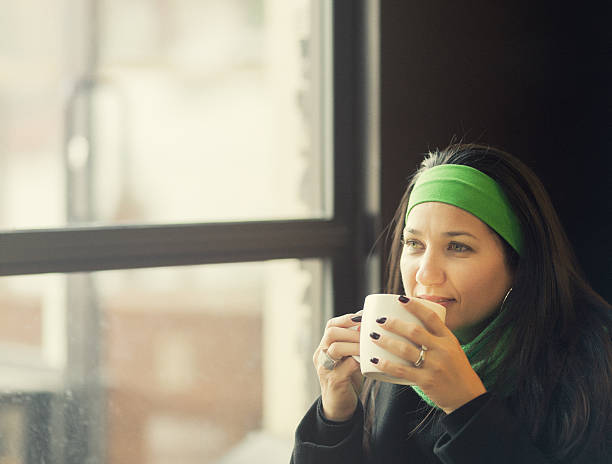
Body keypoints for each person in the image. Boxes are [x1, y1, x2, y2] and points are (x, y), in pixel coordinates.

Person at [290, 143, 612, 463]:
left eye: (458, 247)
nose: (426, 274)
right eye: (414, 243)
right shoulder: (394, 355)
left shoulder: (591, 365)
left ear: (520, 264)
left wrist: (466, 404)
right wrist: (335, 415)